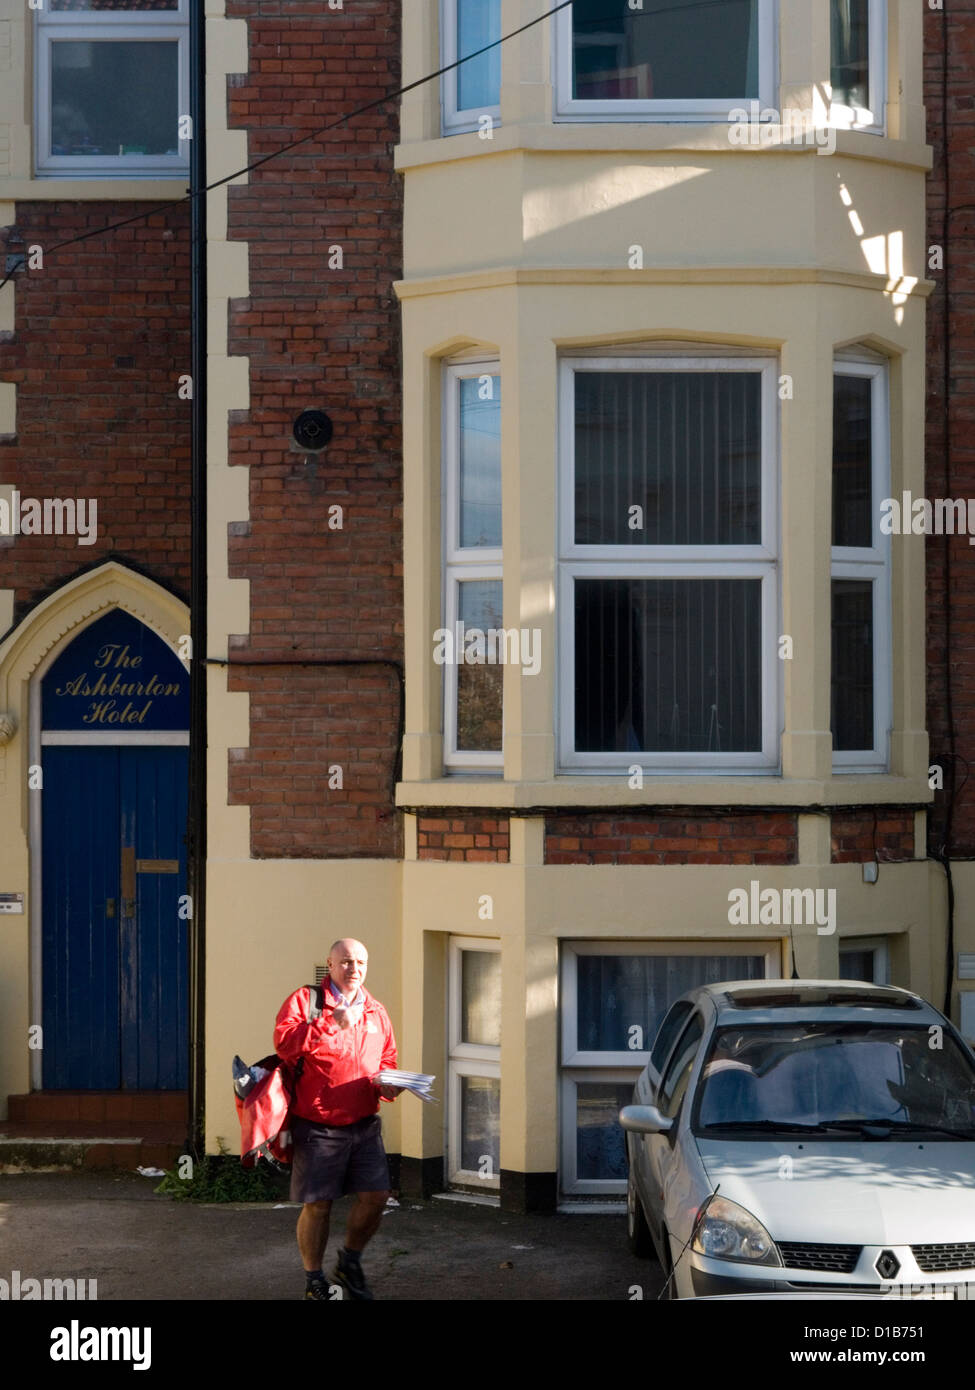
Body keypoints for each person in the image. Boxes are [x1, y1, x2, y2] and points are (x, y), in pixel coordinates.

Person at [273, 938, 400, 1301]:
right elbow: (285, 1044)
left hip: (363, 1122)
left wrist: (388, 1085)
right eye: (345, 962)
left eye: (360, 962)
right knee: (319, 1205)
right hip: (318, 1123)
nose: (353, 969)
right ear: (329, 964)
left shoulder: (376, 1010)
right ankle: (314, 1279)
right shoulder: (306, 1001)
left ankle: (350, 1261)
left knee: (376, 1197)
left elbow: (387, 1057)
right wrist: (332, 1024)